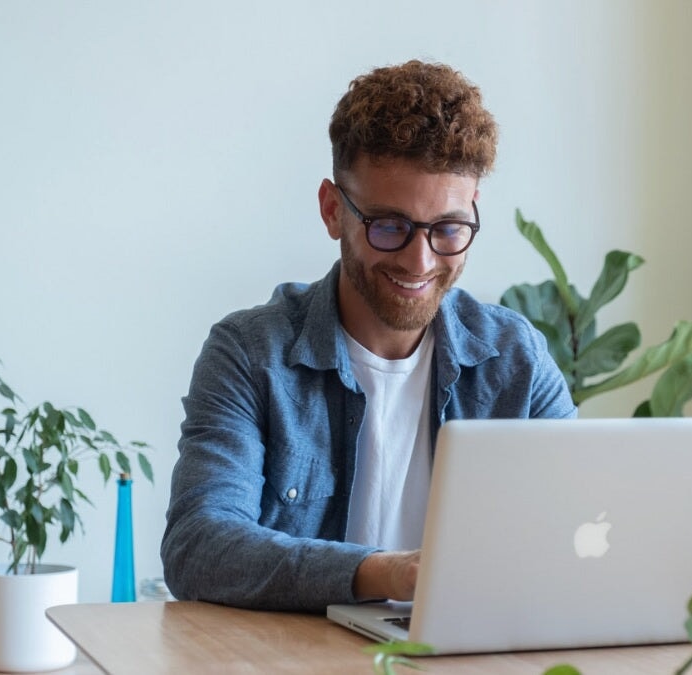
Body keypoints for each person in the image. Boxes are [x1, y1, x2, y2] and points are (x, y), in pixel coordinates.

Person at [160, 59, 576, 613]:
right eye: (389, 227)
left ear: (473, 211)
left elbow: (579, 526)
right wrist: (385, 573)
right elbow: (199, 546)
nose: (420, 259)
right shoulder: (251, 355)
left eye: (448, 228)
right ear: (334, 211)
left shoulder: (514, 359)